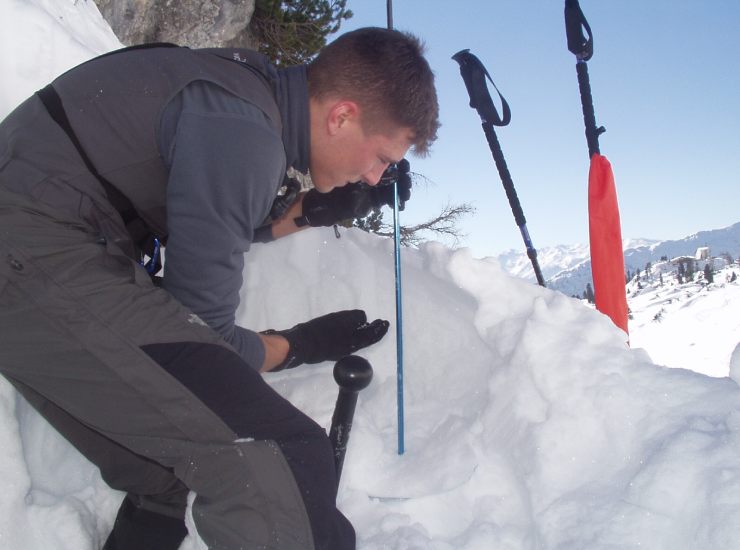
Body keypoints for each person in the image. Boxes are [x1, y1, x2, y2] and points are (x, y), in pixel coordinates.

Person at [0, 27, 438, 550]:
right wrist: (298, 345)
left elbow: (216, 212)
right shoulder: (243, 130)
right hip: (32, 249)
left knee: (163, 471)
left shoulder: (241, 92)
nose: (375, 177)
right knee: (282, 456)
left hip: (37, 250)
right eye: (383, 157)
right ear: (341, 115)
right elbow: (205, 340)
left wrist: (318, 210)